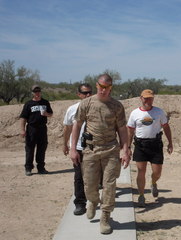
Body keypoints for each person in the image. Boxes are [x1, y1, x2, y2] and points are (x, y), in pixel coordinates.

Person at [70, 73, 130, 235]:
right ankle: (93, 201)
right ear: (97, 85)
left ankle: (105, 216)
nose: (103, 90)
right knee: (89, 184)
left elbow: (122, 129)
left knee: (109, 184)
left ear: (111, 88)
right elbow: (77, 125)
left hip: (111, 149)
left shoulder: (117, 106)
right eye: (101, 87)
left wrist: (126, 149)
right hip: (90, 149)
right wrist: (73, 148)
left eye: (107, 87)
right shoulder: (86, 103)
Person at [127, 89, 173, 207]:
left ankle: (153, 183)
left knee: (157, 172)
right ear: (141, 98)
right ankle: (141, 196)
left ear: (153, 99)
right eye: (145, 98)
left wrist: (170, 143)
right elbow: (130, 131)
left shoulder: (159, 112)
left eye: (150, 98)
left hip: (155, 145)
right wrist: (127, 146)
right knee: (141, 171)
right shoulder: (135, 113)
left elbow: (166, 127)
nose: (148, 100)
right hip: (140, 145)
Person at [62, 83, 92, 215]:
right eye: (85, 93)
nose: (88, 95)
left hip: (94, 148)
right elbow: (67, 128)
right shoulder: (72, 109)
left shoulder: (98, 108)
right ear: (79, 94)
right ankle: (80, 203)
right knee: (79, 176)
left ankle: (95, 200)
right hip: (78, 147)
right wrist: (65, 144)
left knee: (94, 176)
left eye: (90, 92)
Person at [20, 85, 53, 176]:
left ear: (40, 92)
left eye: (38, 91)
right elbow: (23, 118)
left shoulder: (45, 102)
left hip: (42, 128)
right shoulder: (28, 104)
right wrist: (23, 130)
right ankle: (28, 168)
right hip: (32, 128)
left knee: (42, 148)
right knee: (30, 148)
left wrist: (47, 114)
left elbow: (51, 114)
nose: (37, 93)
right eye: (35, 92)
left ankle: (41, 168)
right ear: (32, 93)